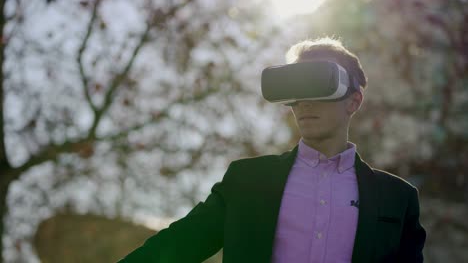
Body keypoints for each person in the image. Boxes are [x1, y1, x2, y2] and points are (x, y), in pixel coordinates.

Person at [118, 37, 426, 263]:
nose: (303, 102)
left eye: (316, 84)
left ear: (353, 101)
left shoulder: (397, 199)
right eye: (295, 88)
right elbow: (175, 247)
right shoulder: (248, 180)